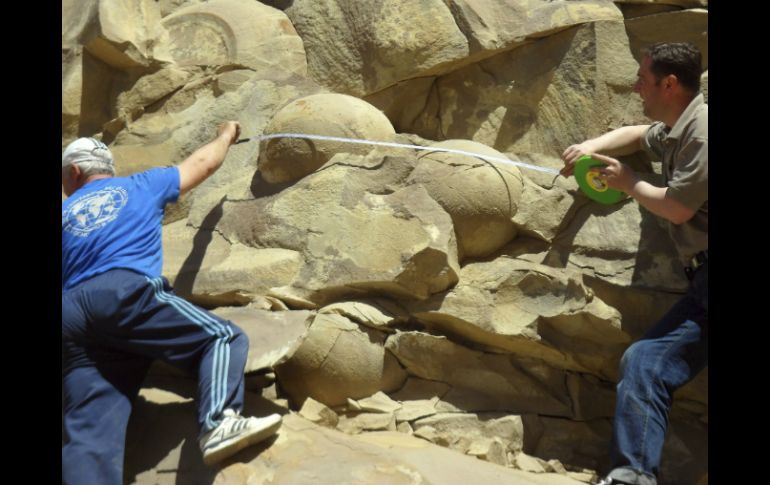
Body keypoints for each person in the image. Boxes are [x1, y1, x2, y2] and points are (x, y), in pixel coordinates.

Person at [62, 121, 282, 485]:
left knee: (92, 422)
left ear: (74, 172)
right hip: (122, 293)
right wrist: (227, 134)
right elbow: (202, 164)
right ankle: (219, 424)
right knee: (222, 339)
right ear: (106, 168)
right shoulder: (140, 184)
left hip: (70, 314)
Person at [561, 43, 707, 485]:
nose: (636, 85)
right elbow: (636, 134)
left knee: (646, 362)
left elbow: (678, 208)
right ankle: (633, 476)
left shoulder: (702, 133)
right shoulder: (679, 126)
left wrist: (629, 182)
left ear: (669, 83)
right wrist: (587, 147)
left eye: (643, 78)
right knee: (645, 363)